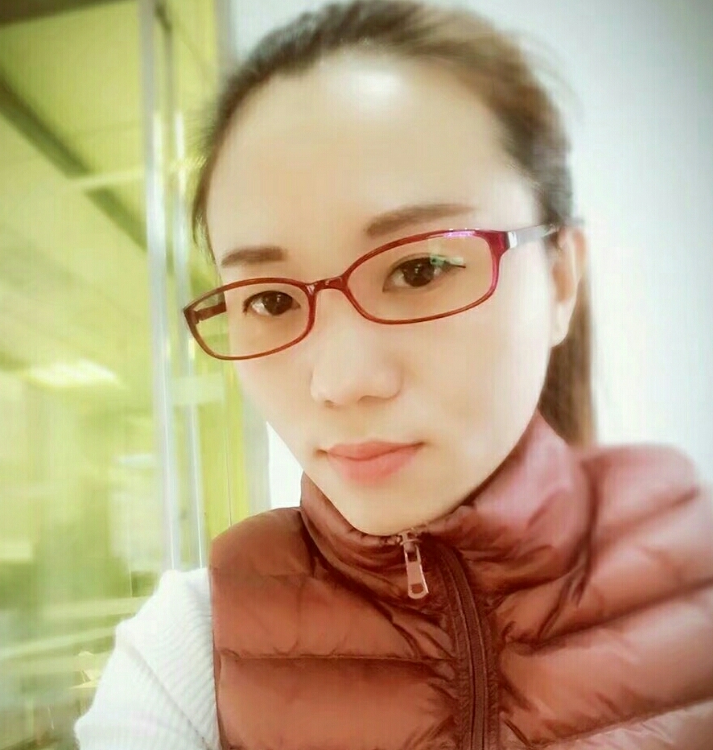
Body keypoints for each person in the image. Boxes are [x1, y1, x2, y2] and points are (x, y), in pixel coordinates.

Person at [75, 1, 713, 748]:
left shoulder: (693, 587)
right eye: (271, 300)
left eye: (420, 268)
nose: (341, 381)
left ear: (561, 279)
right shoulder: (191, 647)